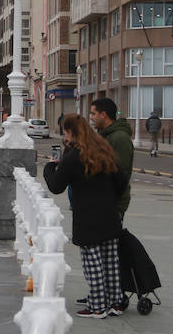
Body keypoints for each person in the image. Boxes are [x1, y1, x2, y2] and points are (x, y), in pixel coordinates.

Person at [44, 113, 129, 318]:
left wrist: (50, 166)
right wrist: (110, 198)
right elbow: (122, 179)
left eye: (65, 131)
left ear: (71, 132)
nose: (64, 135)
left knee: (93, 262)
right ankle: (115, 303)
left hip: (87, 217)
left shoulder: (74, 157)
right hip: (108, 214)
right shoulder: (103, 149)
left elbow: (56, 186)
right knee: (110, 261)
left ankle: (98, 306)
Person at [88, 97, 133, 222]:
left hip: (112, 203)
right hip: (102, 200)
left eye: (93, 114)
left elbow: (121, 174)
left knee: (109, 240)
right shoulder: (103, 135)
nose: (91, 118)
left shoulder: (119, 138)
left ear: (103, 115)